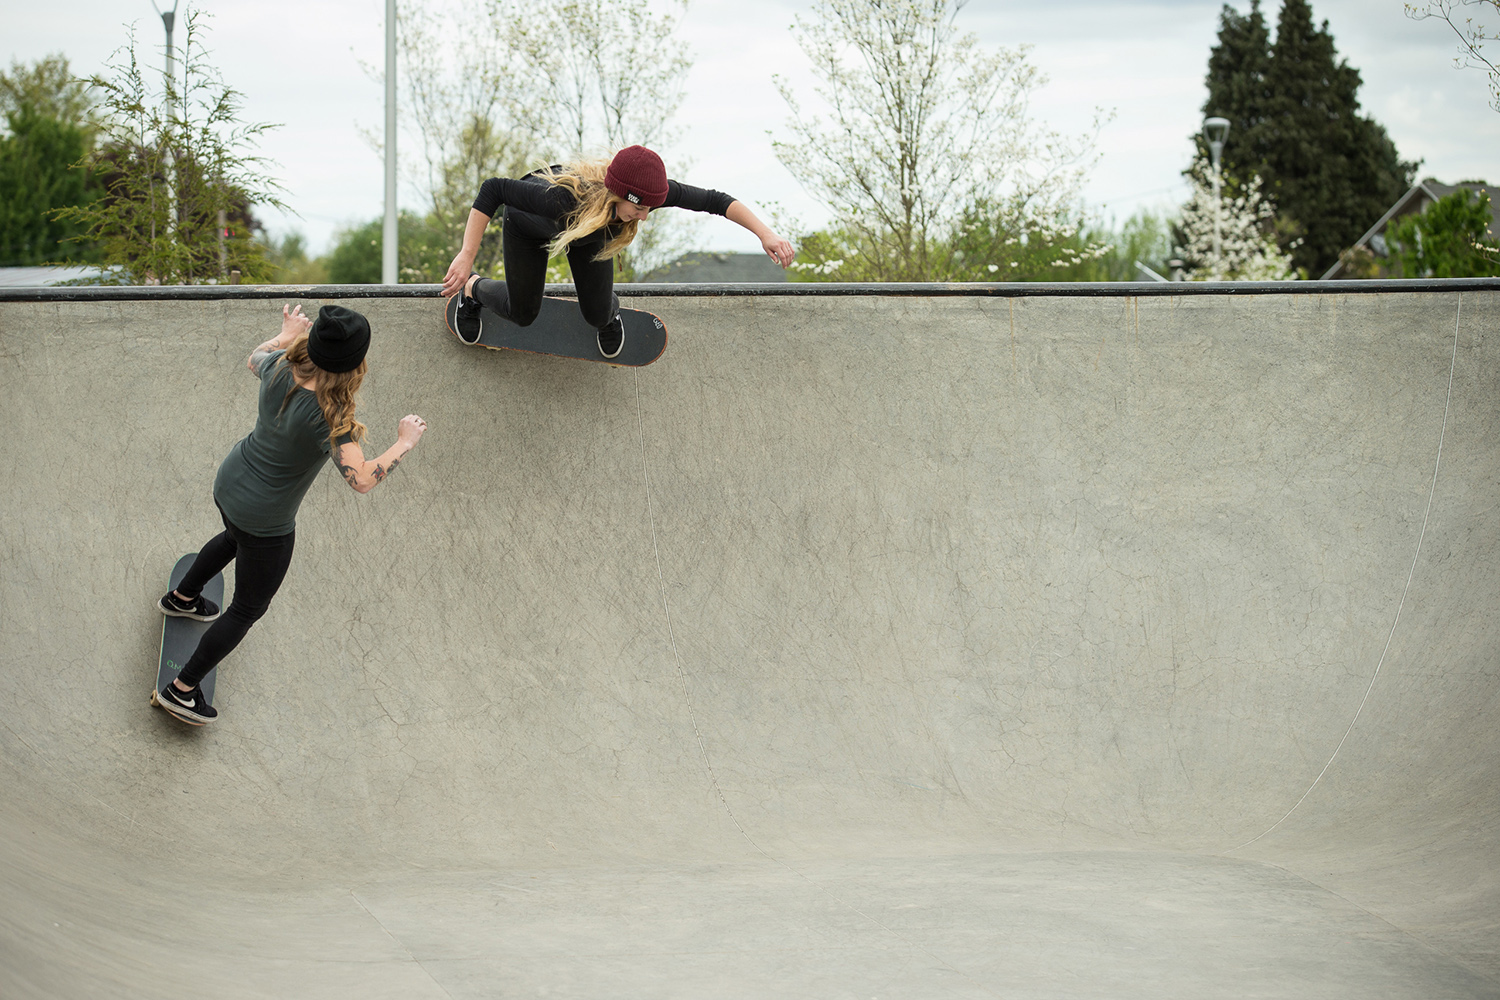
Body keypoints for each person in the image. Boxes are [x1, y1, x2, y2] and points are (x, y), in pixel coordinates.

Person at [155, 304, 428, 724]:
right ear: (355, 364)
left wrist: (285, 335)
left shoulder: (280, 364)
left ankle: (182, 597)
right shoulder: (331, 418)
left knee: (232, 537)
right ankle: (182, 689)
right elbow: (361, 479)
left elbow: (253, 356)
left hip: (230, 483)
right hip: (267, 521)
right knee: (247, 609)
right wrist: (404, 442)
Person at [440, 145, 795, 358]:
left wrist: (765, 233)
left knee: (596, 314)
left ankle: (609, 315)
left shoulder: (649, 194)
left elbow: (715, 201)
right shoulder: (563, 197)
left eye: (649, 210)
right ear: (617, 193)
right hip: (529, 226)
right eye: (638, 208)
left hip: (590, 232)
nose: (643, 217)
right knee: (522, 313)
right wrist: (467, 253)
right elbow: (493, 190)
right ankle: (474, 290)